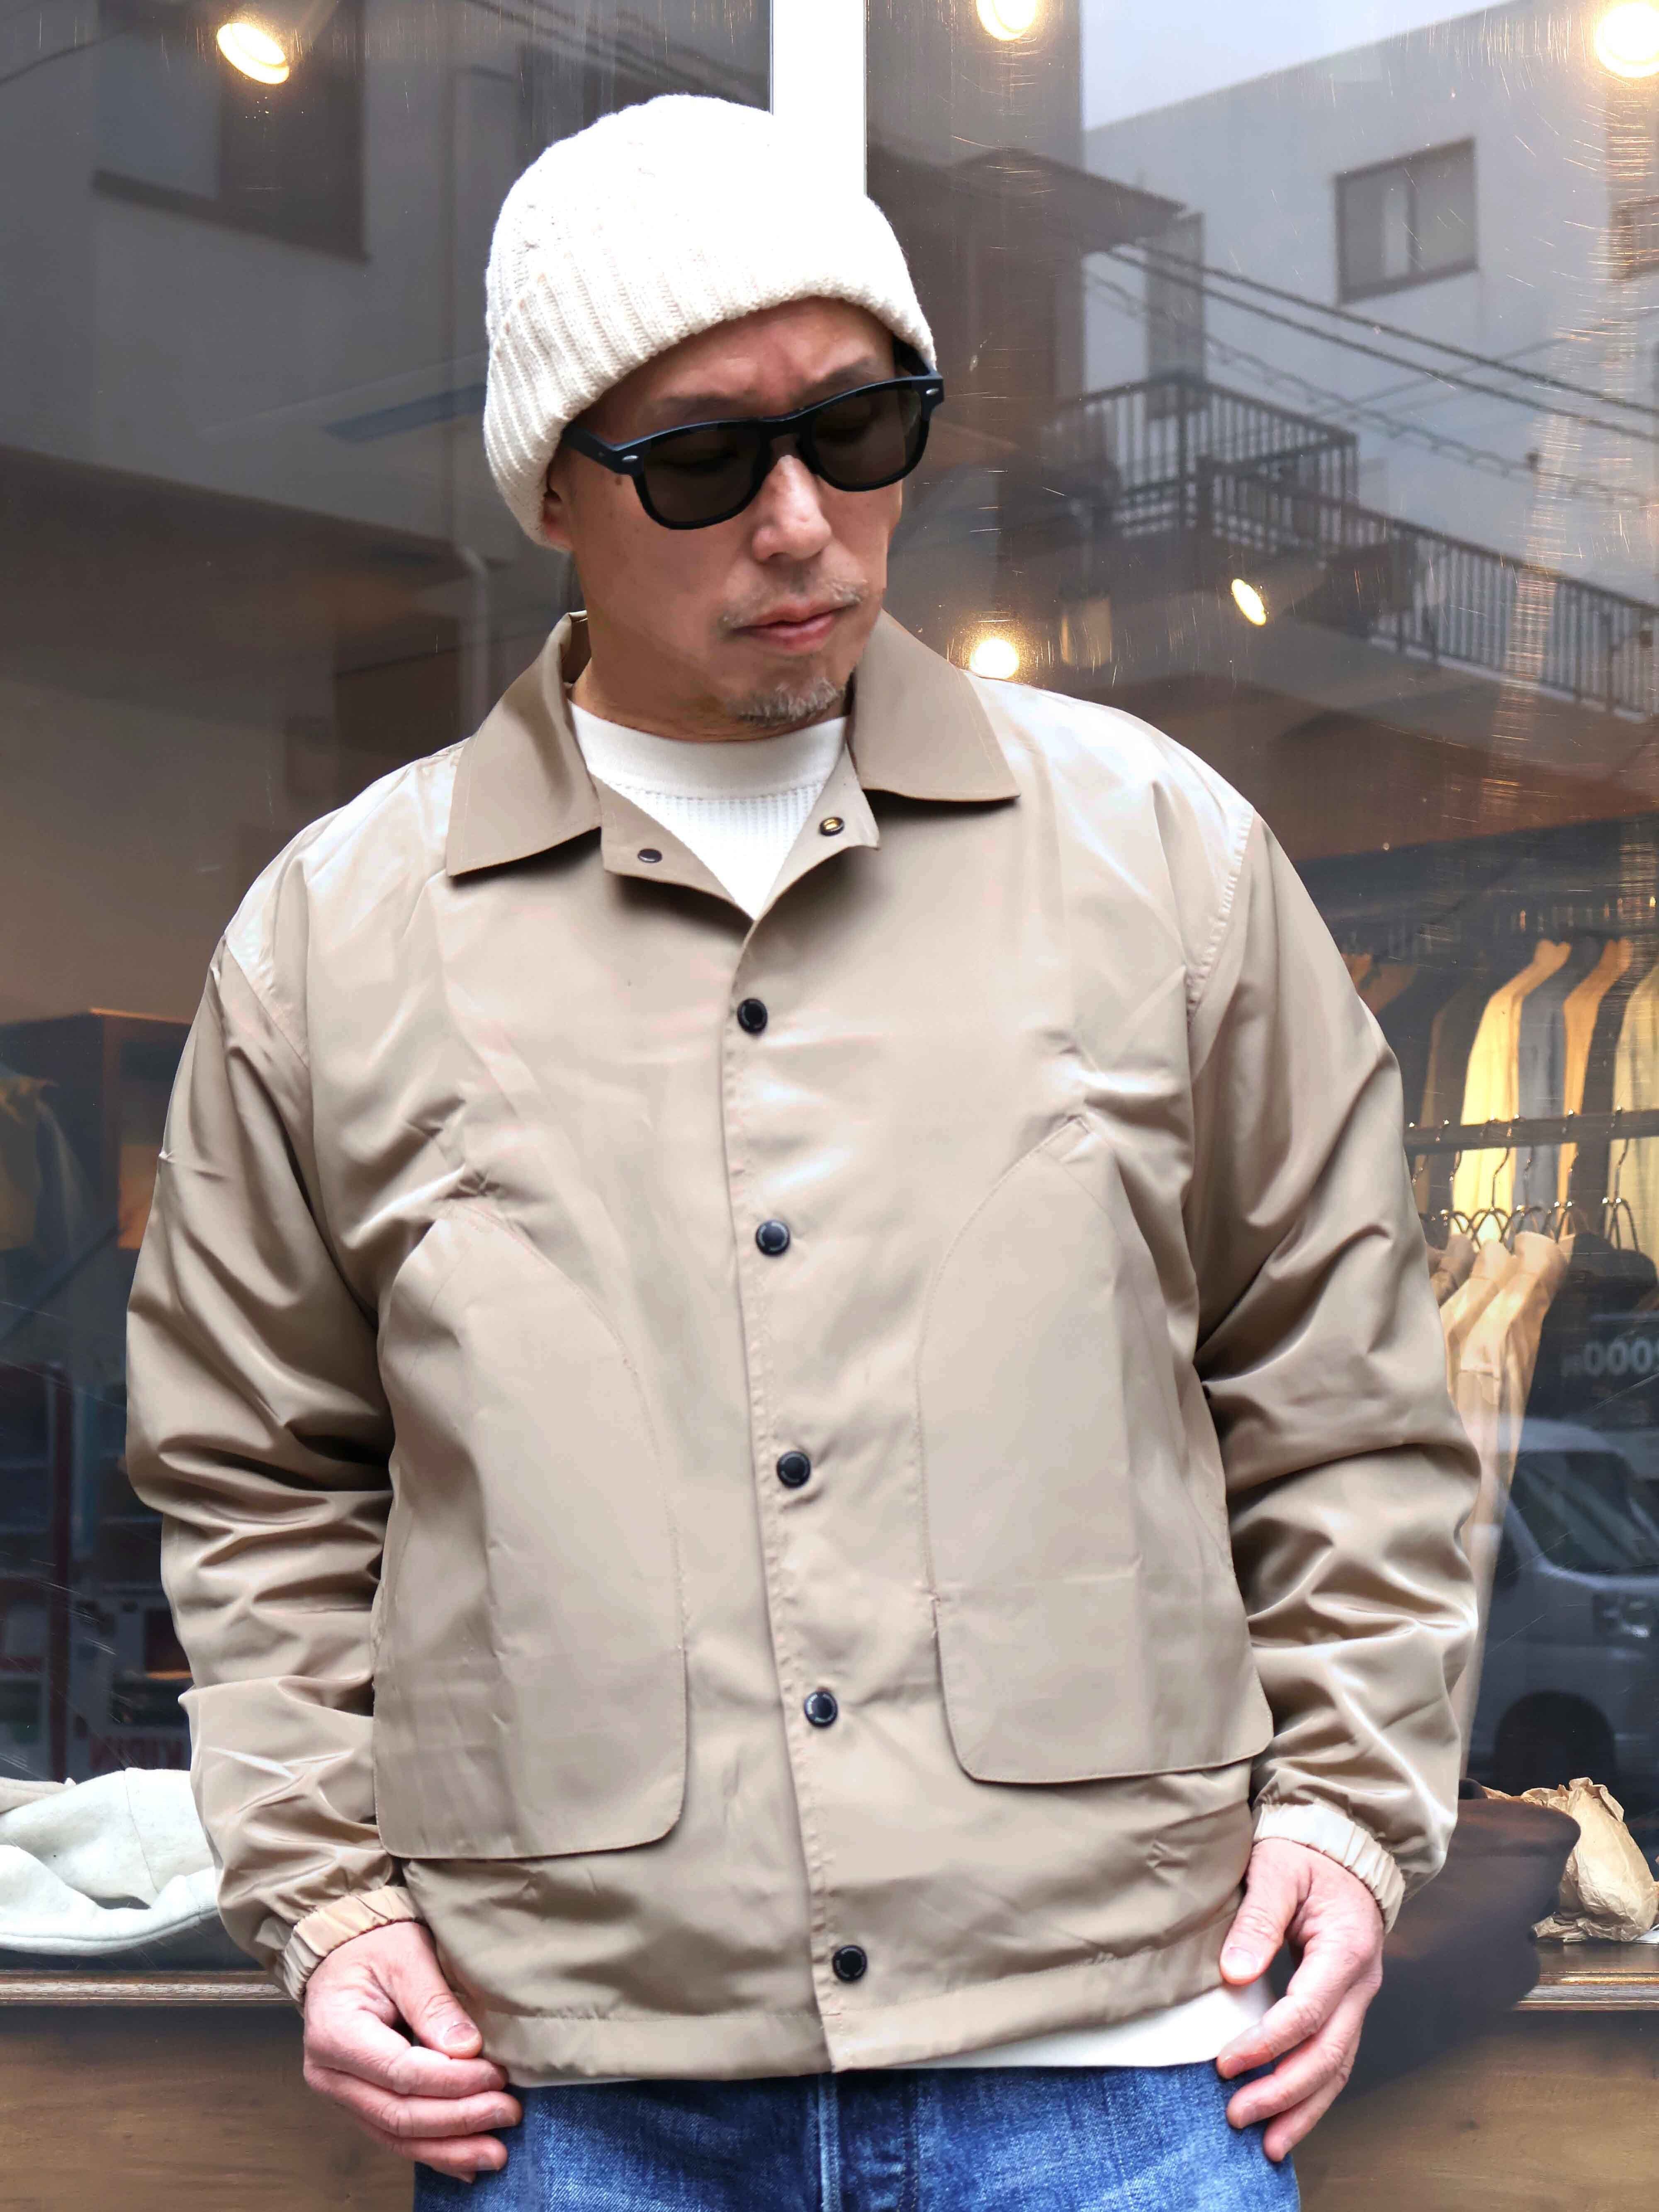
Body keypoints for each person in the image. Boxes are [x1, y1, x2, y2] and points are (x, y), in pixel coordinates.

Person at [126, 94, 1478, 2212]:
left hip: (1126, 2075)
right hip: (569, 2097)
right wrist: (326, 1891)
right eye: (701, 457)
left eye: (858, 431)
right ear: (551, 485)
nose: (799, 522)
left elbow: (1346, 1400)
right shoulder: (337, 935)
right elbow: (255, 1476)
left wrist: (1343, 1810)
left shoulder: (1164, 859)